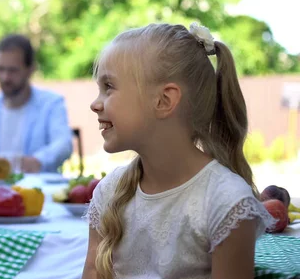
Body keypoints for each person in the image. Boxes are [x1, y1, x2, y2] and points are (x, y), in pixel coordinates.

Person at [82, 23, 275, 279]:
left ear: (164, 100)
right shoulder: (109, 192)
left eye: (109, 87)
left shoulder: (226, 202)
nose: (95, 104)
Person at [0, 34, 73, 173]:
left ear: (30, 69)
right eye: (1, 69)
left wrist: (38, 160)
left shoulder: (51, 104)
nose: (5, 77)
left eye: (12, 70)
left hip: (39, 191)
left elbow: (64, 144)